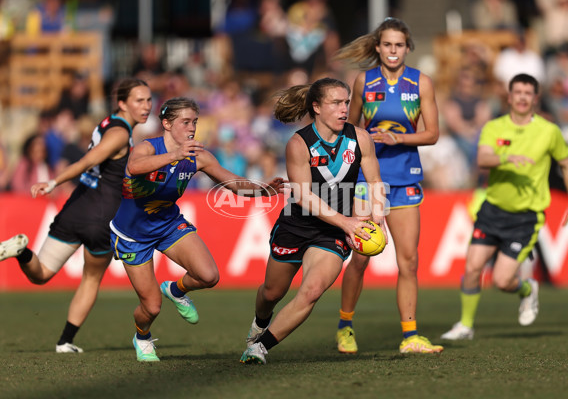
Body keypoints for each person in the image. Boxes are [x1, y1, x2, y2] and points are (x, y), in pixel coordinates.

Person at [109, 97, 285, 362]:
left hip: (168, 224)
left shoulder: (199, 156)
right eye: (185, 122)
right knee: (151, 307)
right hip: (132, 234)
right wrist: (174, 155)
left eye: (195, 122)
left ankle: (177, 290)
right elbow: (134, 167)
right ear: (166, 124)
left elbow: (234, 184)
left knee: (208, 275)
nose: (192, 128)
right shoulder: (148, 147)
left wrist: (262, 190)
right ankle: (142, 336)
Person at [239, 77, 386, 364]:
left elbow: (376, 182)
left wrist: (378, 215)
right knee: (271, 292)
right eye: (336, 103)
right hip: (297, 225)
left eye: (346, 102)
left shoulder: (360, 138)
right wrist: (348, 223)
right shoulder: (299, 144)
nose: (344, 108)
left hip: (331, 234)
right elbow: (305, 197)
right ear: (316, 107)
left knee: (313, 290)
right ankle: (259, 322)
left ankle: (259, 347)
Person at [0, 78, 152, 353]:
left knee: (41, 273)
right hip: (102, 215)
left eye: (149, 100)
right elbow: (88, 161)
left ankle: (22, 252)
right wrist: (54, 182)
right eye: (139, 100)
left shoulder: (107, 123)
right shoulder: (119, 134)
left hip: (76, 207)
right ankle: (65, 341)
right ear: (122, 103)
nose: (147, 106)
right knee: (91, 279)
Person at [441, 73, 568, 340]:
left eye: (527, 93)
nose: (521, 97)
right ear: (509, 96)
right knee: (472, 267)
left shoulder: (549, 131)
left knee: (502, 281)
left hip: (525, 217)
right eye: (517, 92)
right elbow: (483, 158)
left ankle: (527, 289)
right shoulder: (495, 127)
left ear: (535, 98)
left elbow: (567, 165)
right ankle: (465, 325)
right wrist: (507, 157)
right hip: (493, 209)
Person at [332, 17, 443, 354]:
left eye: (399, 45)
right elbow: (348, 129)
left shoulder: (421, 83)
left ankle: (410, 336)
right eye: (387, 45)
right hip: (369, 181)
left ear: (407, 48)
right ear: (378, 47)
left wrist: (399, 138)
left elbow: (433, 133)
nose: (393, 50)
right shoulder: (364, 81)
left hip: (406, 178)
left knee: (408, 262)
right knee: (361, 258)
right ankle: (345, 327)